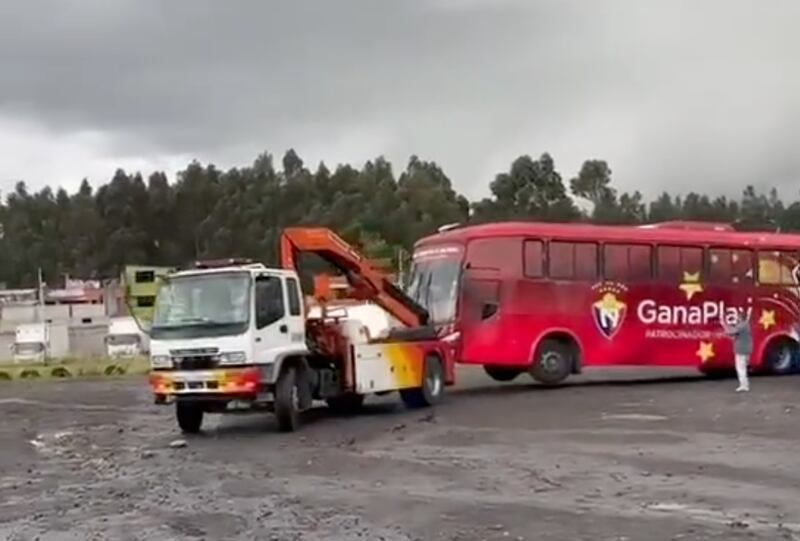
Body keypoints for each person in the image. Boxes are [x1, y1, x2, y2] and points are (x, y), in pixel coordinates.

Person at [721, 311, 753, 392]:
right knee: (743, 367)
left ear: (741, 318)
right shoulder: (745, 325)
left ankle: (744, 386)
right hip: (745, 350)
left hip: (741, 350)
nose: (737, 318)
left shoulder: (742, 325)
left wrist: (723, 324)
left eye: (738, 317)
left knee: (740, 368)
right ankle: (745, 384)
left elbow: (730, 332)